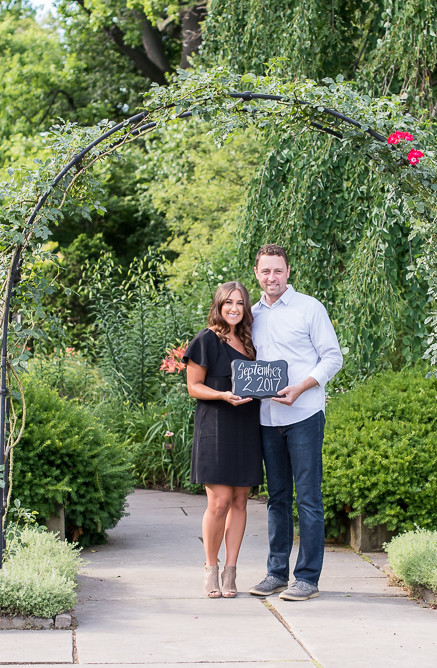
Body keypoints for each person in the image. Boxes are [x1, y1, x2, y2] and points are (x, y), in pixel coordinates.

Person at [247, 244, 343, 602]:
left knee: (308, 498)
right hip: (267, 418)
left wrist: (302, 388)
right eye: (265, 271)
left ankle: (307, 578)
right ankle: (275, 573)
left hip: (303, 416)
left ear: (288, 273)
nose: (272, 277)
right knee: (277, 498)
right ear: (256, 273)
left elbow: (333, 358)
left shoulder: (309, 308)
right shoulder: (251, 314)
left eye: (278, 271)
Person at [183, 281, 264, 598]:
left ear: (245, 309)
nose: (234, 308)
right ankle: (210, 569)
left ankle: (231, 571)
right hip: (216, 425)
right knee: (218, 503)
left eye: (240, 303)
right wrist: (223, 395)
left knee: (241, 501)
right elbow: (194, 387)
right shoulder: (206, 339)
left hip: (247, 425)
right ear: (218, 305)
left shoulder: (250, 342)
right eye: (228, 302)